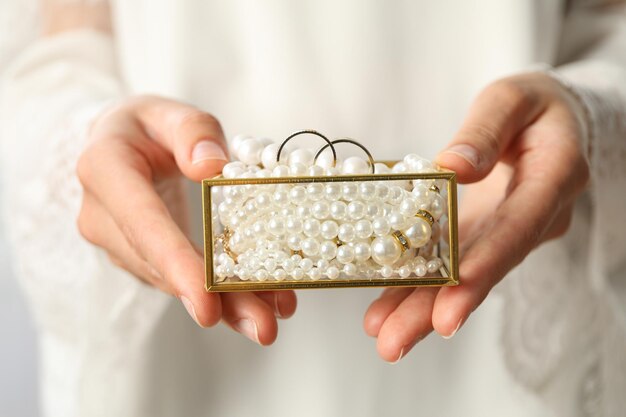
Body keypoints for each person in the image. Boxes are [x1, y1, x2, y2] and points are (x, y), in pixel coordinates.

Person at [1, 1, 625, 416]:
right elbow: (63, 46)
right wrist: (85, 137)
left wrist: (590, 111)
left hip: (506, 254)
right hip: (192, 331)